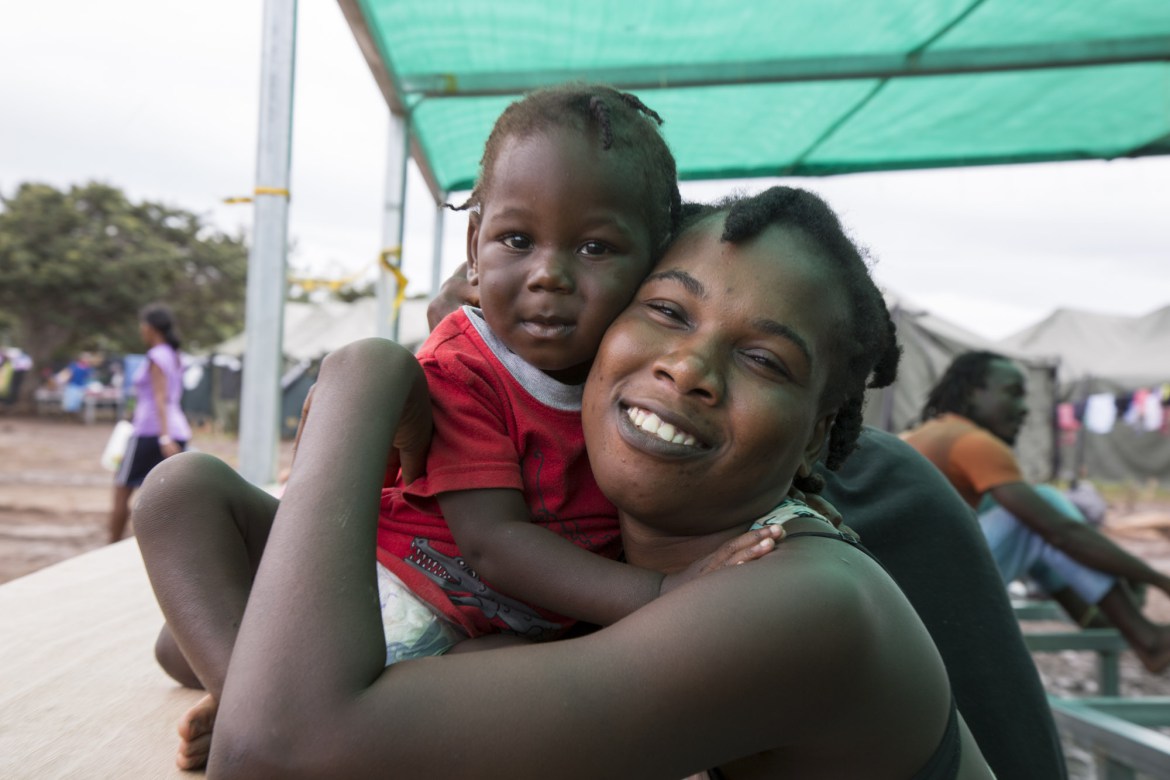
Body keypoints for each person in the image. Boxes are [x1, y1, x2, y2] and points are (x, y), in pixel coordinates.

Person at [152, 187, 995, 778]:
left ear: (815, 433)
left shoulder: (800, 600)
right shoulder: (588, 549)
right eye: (667, 311)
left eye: (764, 358)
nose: (688, 367)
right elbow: (218, 644)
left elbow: (274, 754)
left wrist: (361, 376)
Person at [136, 85, 788, 769]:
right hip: (365, 583)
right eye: (516, 239)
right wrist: (664, 598)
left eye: (596, 248)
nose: (549, 275)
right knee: (179, 489)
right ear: (475, 246)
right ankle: (245, 693)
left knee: (532, 676)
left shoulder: (646, 392)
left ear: (654, 266)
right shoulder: (465, 361)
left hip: (489, 645)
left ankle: (238, 676)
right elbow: (492, 546)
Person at [903, 350, 1170, 673]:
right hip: (925, 599)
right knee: (1037, 512)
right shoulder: (973, 442)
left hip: (908, 591)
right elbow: (1062, 531)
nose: (1024, 408)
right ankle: (1145, 636)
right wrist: (1154, 577)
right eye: (1013, 393)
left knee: (1033, 523)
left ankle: (1127, 629)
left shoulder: (935, 432)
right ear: (974, 391)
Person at [109, 303, 191, 544]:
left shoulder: (156, 356)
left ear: (150, 328)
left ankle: (111, 544)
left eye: (142, 326)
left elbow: (159, 398)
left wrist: (164, 437)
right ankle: (164, 548)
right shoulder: (175, 356)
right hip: (177, 429)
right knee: (165, 495)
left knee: (122, 489)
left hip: (151, 432)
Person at [57, 352, 93, 417]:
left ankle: (76, 415)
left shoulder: (88, 368)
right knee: (69, 403)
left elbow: (88, 379)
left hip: (81, 387)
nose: (86, 360)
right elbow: (65, 376)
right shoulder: (74, 366)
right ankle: (68, 416)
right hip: (72, 386)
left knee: (79, 403)